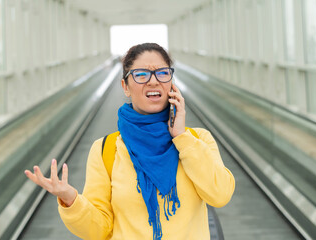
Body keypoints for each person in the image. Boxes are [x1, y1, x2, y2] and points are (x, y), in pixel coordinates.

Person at [24, 43, 235, 240]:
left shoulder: (197, 140)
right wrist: (71, 200)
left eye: (162, 73)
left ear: (171, 83)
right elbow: (99, 229)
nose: (153, 81)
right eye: (141, 75)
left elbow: (220, 195)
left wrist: (181, 137)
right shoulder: (106, 150)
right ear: (125, 86)